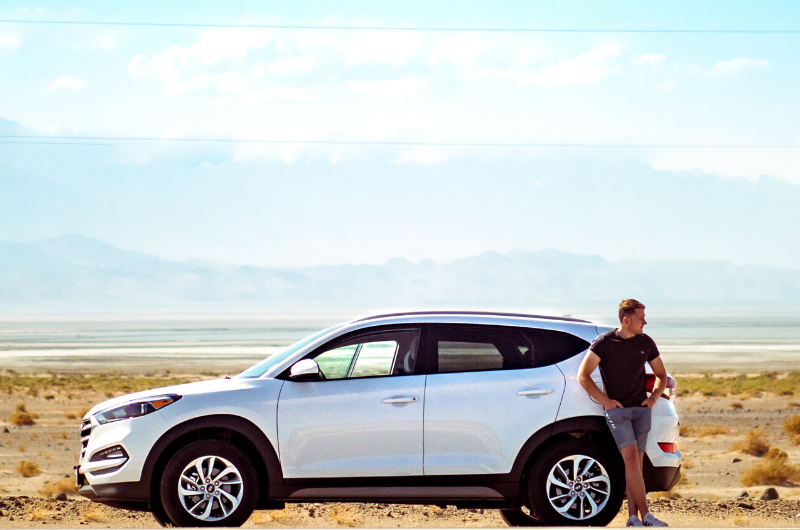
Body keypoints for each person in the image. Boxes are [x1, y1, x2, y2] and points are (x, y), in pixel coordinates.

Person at [577, 299, 669, 527]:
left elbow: (661, 375)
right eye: (641, 318)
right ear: (626, 320)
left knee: (635, 465)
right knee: (630, 460)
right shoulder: (604, 343)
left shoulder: (646, 342)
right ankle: (647, 516)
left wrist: (653, 399)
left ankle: (632, 518)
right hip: (618, 413)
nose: (645, 322)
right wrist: (606, 401)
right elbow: (583, 375)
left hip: (642, 411)